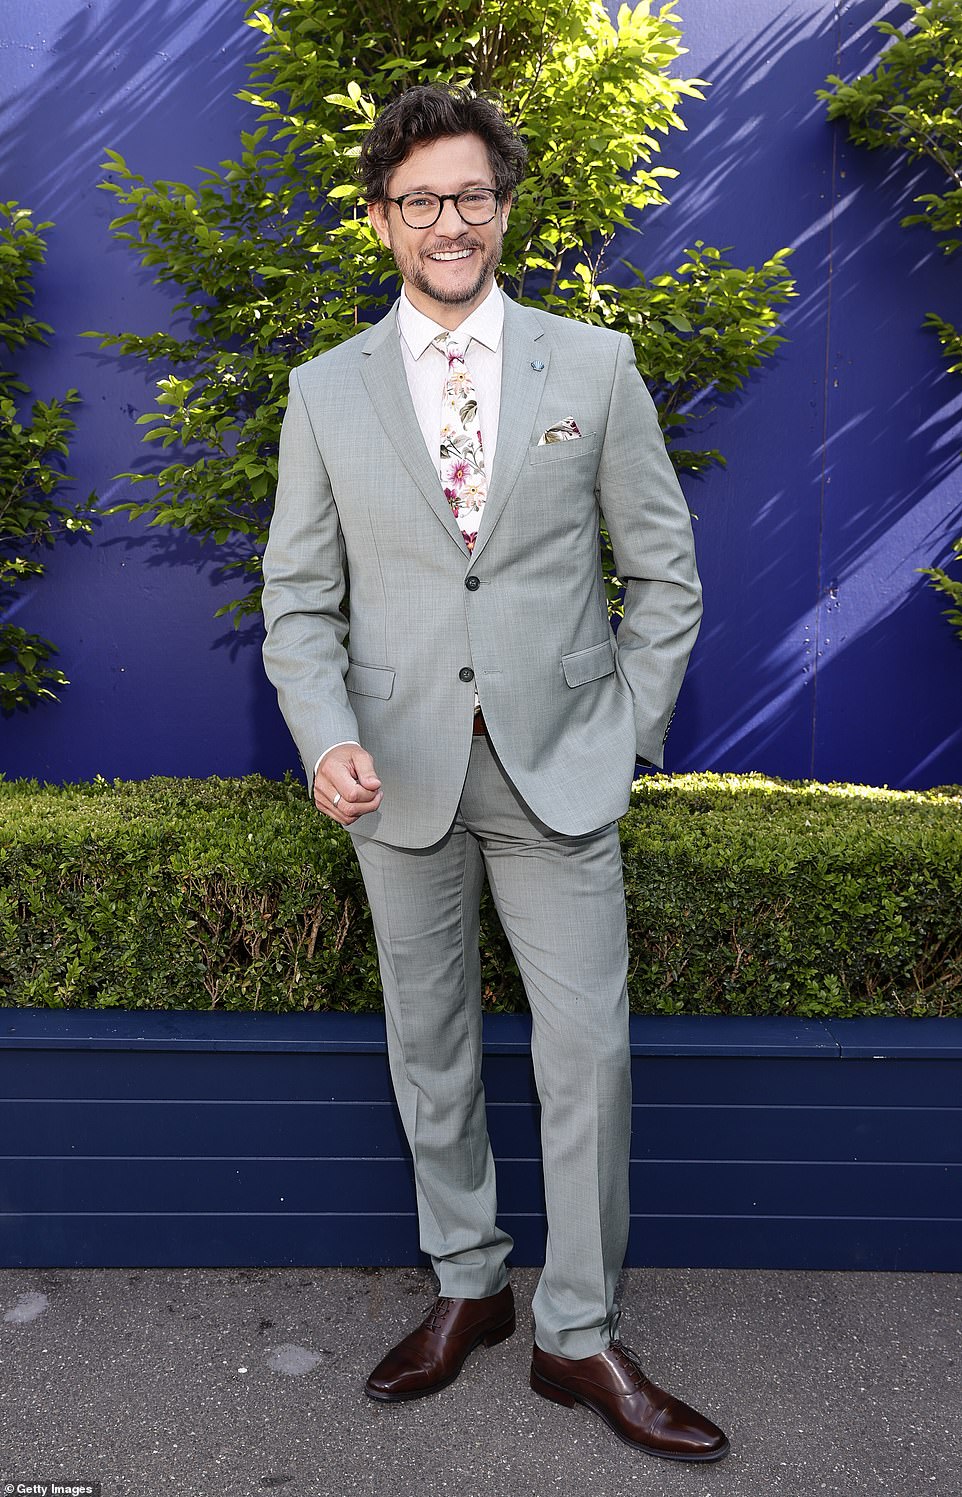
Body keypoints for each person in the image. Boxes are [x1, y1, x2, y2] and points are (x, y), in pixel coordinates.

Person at [261, 84, 728, 1463]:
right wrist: (325, 732)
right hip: (395, 775)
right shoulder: (324, 390)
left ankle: (579, 1333)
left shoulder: (592, 366)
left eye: (471, 196)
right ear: (380, 220)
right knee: (431, 1050)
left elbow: (663, 573)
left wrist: (622, 726)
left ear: (503, 208)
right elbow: (297, 600)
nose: (449, 221)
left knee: (588, 1054)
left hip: (558, 777)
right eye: (420, 201)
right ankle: (468, 1281)